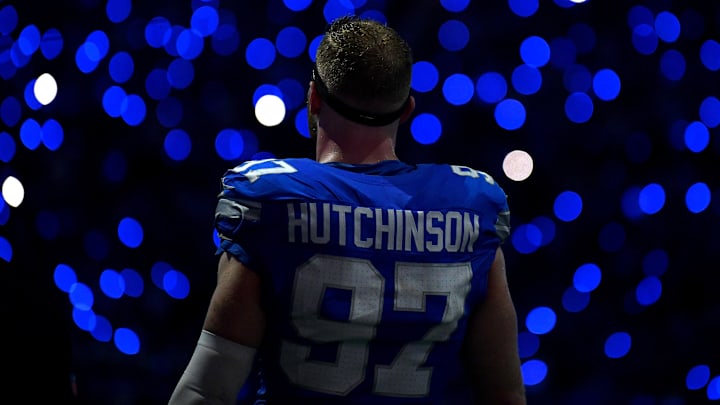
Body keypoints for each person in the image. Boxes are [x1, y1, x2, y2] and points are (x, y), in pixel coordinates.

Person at [169, 15, 526, 405]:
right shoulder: (471, 208)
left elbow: (208, 388)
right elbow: (505, 393)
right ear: (407, 110)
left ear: (313, 98)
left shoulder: (272, 203)